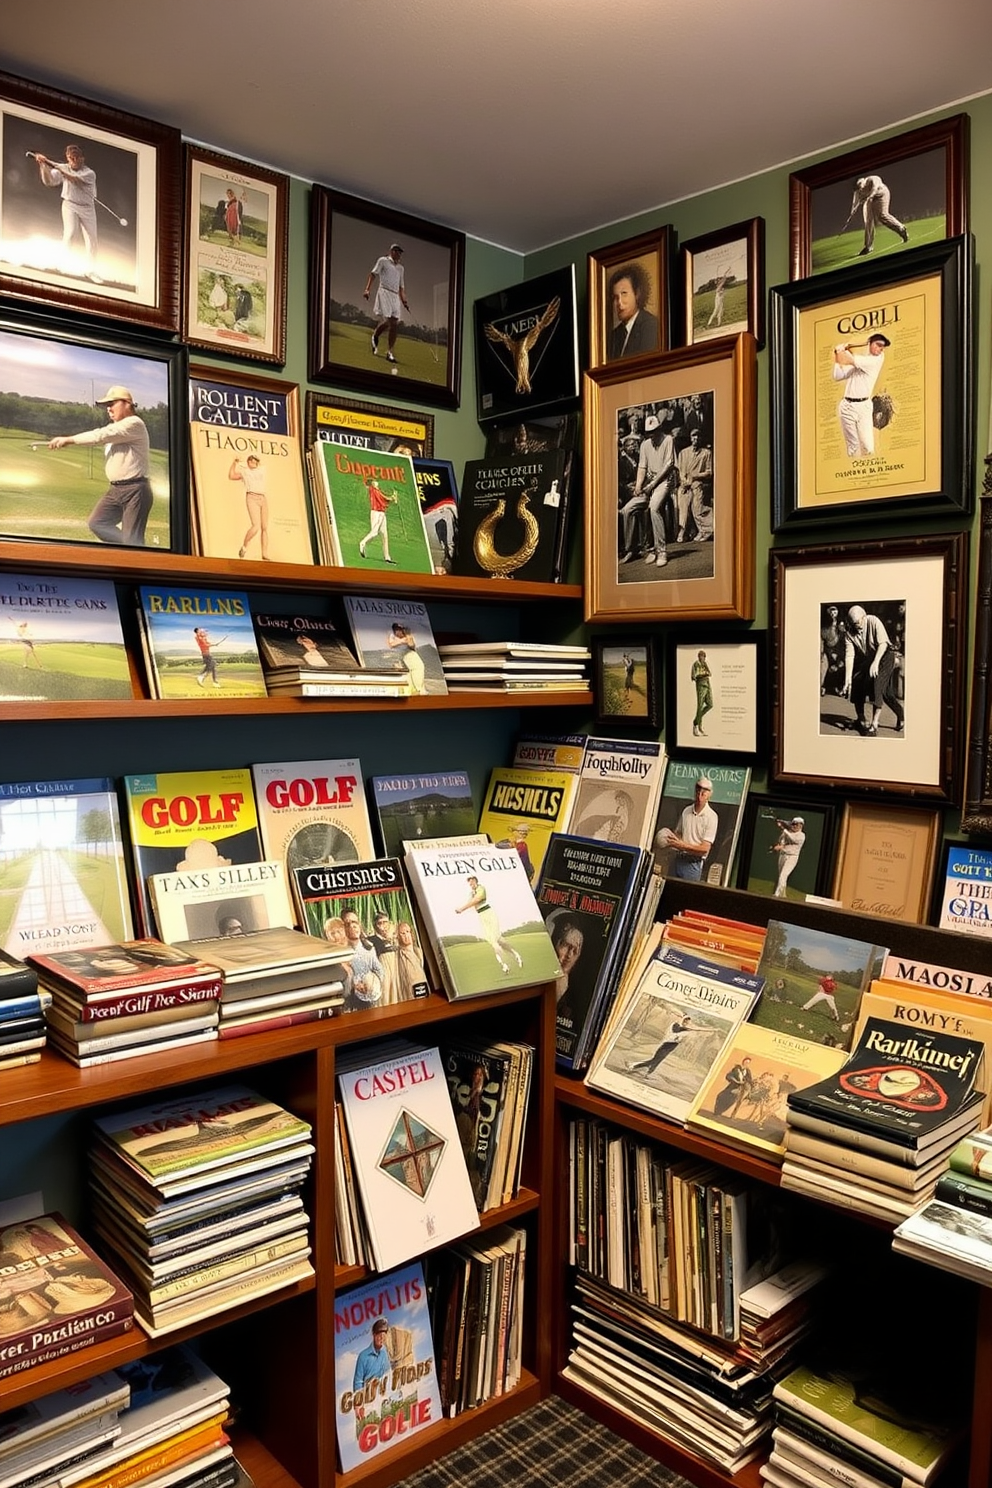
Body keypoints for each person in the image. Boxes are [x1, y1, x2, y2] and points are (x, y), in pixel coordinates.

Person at [48, 385, 153, 546]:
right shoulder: (117, 427)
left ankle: (133, 553)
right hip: (116, 489)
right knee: (97, 522)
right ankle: (130, 550)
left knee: (133, 541)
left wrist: (69, 440)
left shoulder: (134, 423)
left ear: (126, 403)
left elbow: (100, 435)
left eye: (112, 404)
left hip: (135, 490)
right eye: (107, 406)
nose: (108, 409)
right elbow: (101, 434)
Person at [28, 142, 99, 276]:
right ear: (67, 157)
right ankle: (60, 266)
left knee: (92, 240)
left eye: (76, 157)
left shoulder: (90, 173)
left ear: (82, 159)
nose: (74, 160)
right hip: (70, 204)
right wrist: (43, 165)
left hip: (87, 208)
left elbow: (73, 179)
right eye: (71, 158)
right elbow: (49, 182)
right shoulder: (64, 167)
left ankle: (91, 271)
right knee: (70, 233)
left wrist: (51, 163)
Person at [619, 414, 677, 567]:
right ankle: (631, 549)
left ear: (660, 429)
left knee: (653, 508)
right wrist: (638, 486)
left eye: (654, 431)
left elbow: (668, 465)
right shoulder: (645, 444)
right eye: (649, 432)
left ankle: (661, 550)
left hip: (664, 482)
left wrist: (651, 486)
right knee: (627, 510)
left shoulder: (668, 440)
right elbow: (642, 467)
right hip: (648, 483)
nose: (652, 435)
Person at [842, 604, 904, 736]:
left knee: (878, 686)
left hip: (885, 656)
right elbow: (849, 656)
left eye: (857, 622)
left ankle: (874, 725)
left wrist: (875, 663)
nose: (856, 626)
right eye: (853, 624)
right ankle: (861, 719)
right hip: (870, 658)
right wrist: (847, 679)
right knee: (857, 680)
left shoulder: (873, 620)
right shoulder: (849, 633)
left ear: (864, 618)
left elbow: (883, 644)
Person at [832, 334, 891, 457]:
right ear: (870, 343)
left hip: (863, 407)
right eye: (878, 345)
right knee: (853, 448)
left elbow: (849, 359)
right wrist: (838, 355)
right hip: (847, 407)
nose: (881, 349)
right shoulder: (861, 362)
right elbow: (838, 376)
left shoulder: (875, 360)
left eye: (882, 347)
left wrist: (841, 350)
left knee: (868, 447)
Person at [454, 875, 522, 975]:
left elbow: (476, 900)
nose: (471, 884)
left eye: (472, 882)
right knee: (495, 941)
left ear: (475, 881)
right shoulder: (471, 893)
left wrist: (462, 908)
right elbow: (471, 903)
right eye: (469, 883)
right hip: (482, 916)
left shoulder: (481, 888)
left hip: (488, 913)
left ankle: (510, 960)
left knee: (496, 941)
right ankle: (506, 963)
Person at [656, 776, 718, 881]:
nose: (700, 796)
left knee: (686, 894)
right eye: (698, 791)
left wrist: (682, 845)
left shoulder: (712, 817)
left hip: (693, 864)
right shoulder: (686, 811)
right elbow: (679, 833)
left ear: (709, 795)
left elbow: (704, 849)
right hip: (678, 859)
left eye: (704, 793)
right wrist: (669, 838)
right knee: (668, 888)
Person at [364, 243, 409, 365]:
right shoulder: (383, 261)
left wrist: (404, 300)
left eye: (400, 252)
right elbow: (373, 274)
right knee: (389, 320)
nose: (399, 254)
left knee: (394, 323)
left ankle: (390, 352)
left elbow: (401, 287)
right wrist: (367, 289)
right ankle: (376, 335)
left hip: (395, 296)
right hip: (384, 292)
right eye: (397, 251)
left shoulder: (401, 268)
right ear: (392, 251)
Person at [607, 263, 659, 359]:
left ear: (637, 294)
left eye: (624, 294)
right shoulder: (614, 336)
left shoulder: (651, 326)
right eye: (615, 297)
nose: (619, 302)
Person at [848, 174, 909, 256]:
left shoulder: (873, 179)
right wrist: (852, 211)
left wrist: (869, 196)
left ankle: (901, 229)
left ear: (863, 180)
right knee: (868, 221)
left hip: (881, 195)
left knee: (882, 216)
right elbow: (855, 202)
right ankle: (868, 247)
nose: (860, 189)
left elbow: (874, 189)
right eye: (858, 188)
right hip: (869, 199)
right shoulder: (858, 190)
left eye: (860, 186)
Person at [675, 425, 714, 542]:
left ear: (701, 439)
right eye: (693, 436)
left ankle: (706, 530)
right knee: (682, 503)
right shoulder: (683, 453)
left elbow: (709, 472)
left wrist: (696, 475)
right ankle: (682, 530)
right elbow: (680, 471)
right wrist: (684, 482)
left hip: (698, 483)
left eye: (698, 437)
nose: (695, 439)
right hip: (685, 484)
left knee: (697, 507)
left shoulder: (706, 453)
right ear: (690, 438)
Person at [627, 1015, 702, 1076]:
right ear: (682, 1020)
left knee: (658, 1060)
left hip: (671, 1047)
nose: (686, 1023)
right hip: (666, 1045)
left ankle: (647, 1073)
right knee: (654, 1060)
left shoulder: (685, 1030)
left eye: (687, 1023)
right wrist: (687, 1030)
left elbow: (680, 1039)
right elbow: (676, 1031)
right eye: (685, 1021)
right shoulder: (675, 1025)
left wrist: (682, 1037)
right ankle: (634, 1066)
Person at [341, 909, 385, 1007]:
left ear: (359, 925)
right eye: (347, 924)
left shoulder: (369, 947)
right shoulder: (341, 952)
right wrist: (354, 984)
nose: (352, 926)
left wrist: (372, 984)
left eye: (354, 922)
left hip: (369, 1002)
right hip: (349, 1002)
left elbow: (379, 970)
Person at [351, 1318, 390, 1428]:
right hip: (367, 1400)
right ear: (373, 1334)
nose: (381, 1338)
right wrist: (357, 1405)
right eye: (379, 1335)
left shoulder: (385, 1353)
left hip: (382, 1397)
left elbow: (388, 1373)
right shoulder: (363, 1356)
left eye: (384, 1335)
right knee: (368, 1428)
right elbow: (358, 1382)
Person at [229, 454, 269, 560]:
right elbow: (232, 476)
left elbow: (262, 463)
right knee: (255, 526)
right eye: (251, 461)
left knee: (264, 527)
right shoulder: (245, 472)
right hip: (252, 497)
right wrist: (235, 463)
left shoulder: (261, 469)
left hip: (262, 498)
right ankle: (244, 546)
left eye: (255, 461)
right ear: (248, 462)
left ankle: (264, 553)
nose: (253, 463)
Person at [358, 476, 397, 564]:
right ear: (372, 483)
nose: (377, 483)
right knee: (375, 532)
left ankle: (387, 557)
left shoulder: (376, 490)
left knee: (384, 535)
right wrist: (392, 498)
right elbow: (383, 498)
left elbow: (383, 498)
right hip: (377, 513)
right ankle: (362, 543)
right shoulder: (373, 490)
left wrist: (392, 498)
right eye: (375, 481)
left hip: (382, 513)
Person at [392, 919, 428, 1000]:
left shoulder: (418, 951)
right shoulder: (399, 954)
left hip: (423, 990)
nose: (406, 935)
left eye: (408, 932)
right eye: (403, 933)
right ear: (398, 936)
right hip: (409, 994)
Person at [771, 816, 806, 898]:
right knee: (781, 876)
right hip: (783, 855)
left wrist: (783, 828)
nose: (794, 826)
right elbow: (782, 841)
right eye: (793, 824)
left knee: (783, 875)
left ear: (801, 825)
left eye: (796, 824)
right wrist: (779, 846)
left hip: (792, 858)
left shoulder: (801, 835)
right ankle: (783, 896)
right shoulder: (787, 832)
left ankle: (776, 895)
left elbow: (793, 839)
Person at [386, 621, 426, 693]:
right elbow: (391, 644)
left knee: (417, 669)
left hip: (409, 653)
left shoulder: (407, 636)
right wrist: (402, 641)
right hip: (401, 655)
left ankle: (418, 689)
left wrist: (408, 636)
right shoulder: (392, 636)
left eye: (400, 629)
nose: (399, 631)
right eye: (397, 629)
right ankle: (416, 689)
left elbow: (412, 645)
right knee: (409, 672)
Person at [820, 604, 844, 695]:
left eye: (835, 611)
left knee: (841, 665)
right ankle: (822, 686)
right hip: (827, 651)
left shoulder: (841, 625)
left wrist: (838, 659)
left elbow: (844, 644)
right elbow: (824, 642)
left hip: (839, 651)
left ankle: (839, 687)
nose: (833, 613)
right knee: (823, 665)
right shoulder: (825, 626)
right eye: (831, 611)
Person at [691, 650, 713, 737]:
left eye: (703, 656)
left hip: (707, 684)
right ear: (698, 656)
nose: (702, 657)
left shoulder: (705, 664)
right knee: (700, 706)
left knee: (710, 704)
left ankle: (696, 720)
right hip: (700, 686)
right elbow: (695, 675)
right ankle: (697, 726)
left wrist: (705, 673)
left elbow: (710, 673)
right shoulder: (696, 664)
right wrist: (704, 674)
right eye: (700, 656)